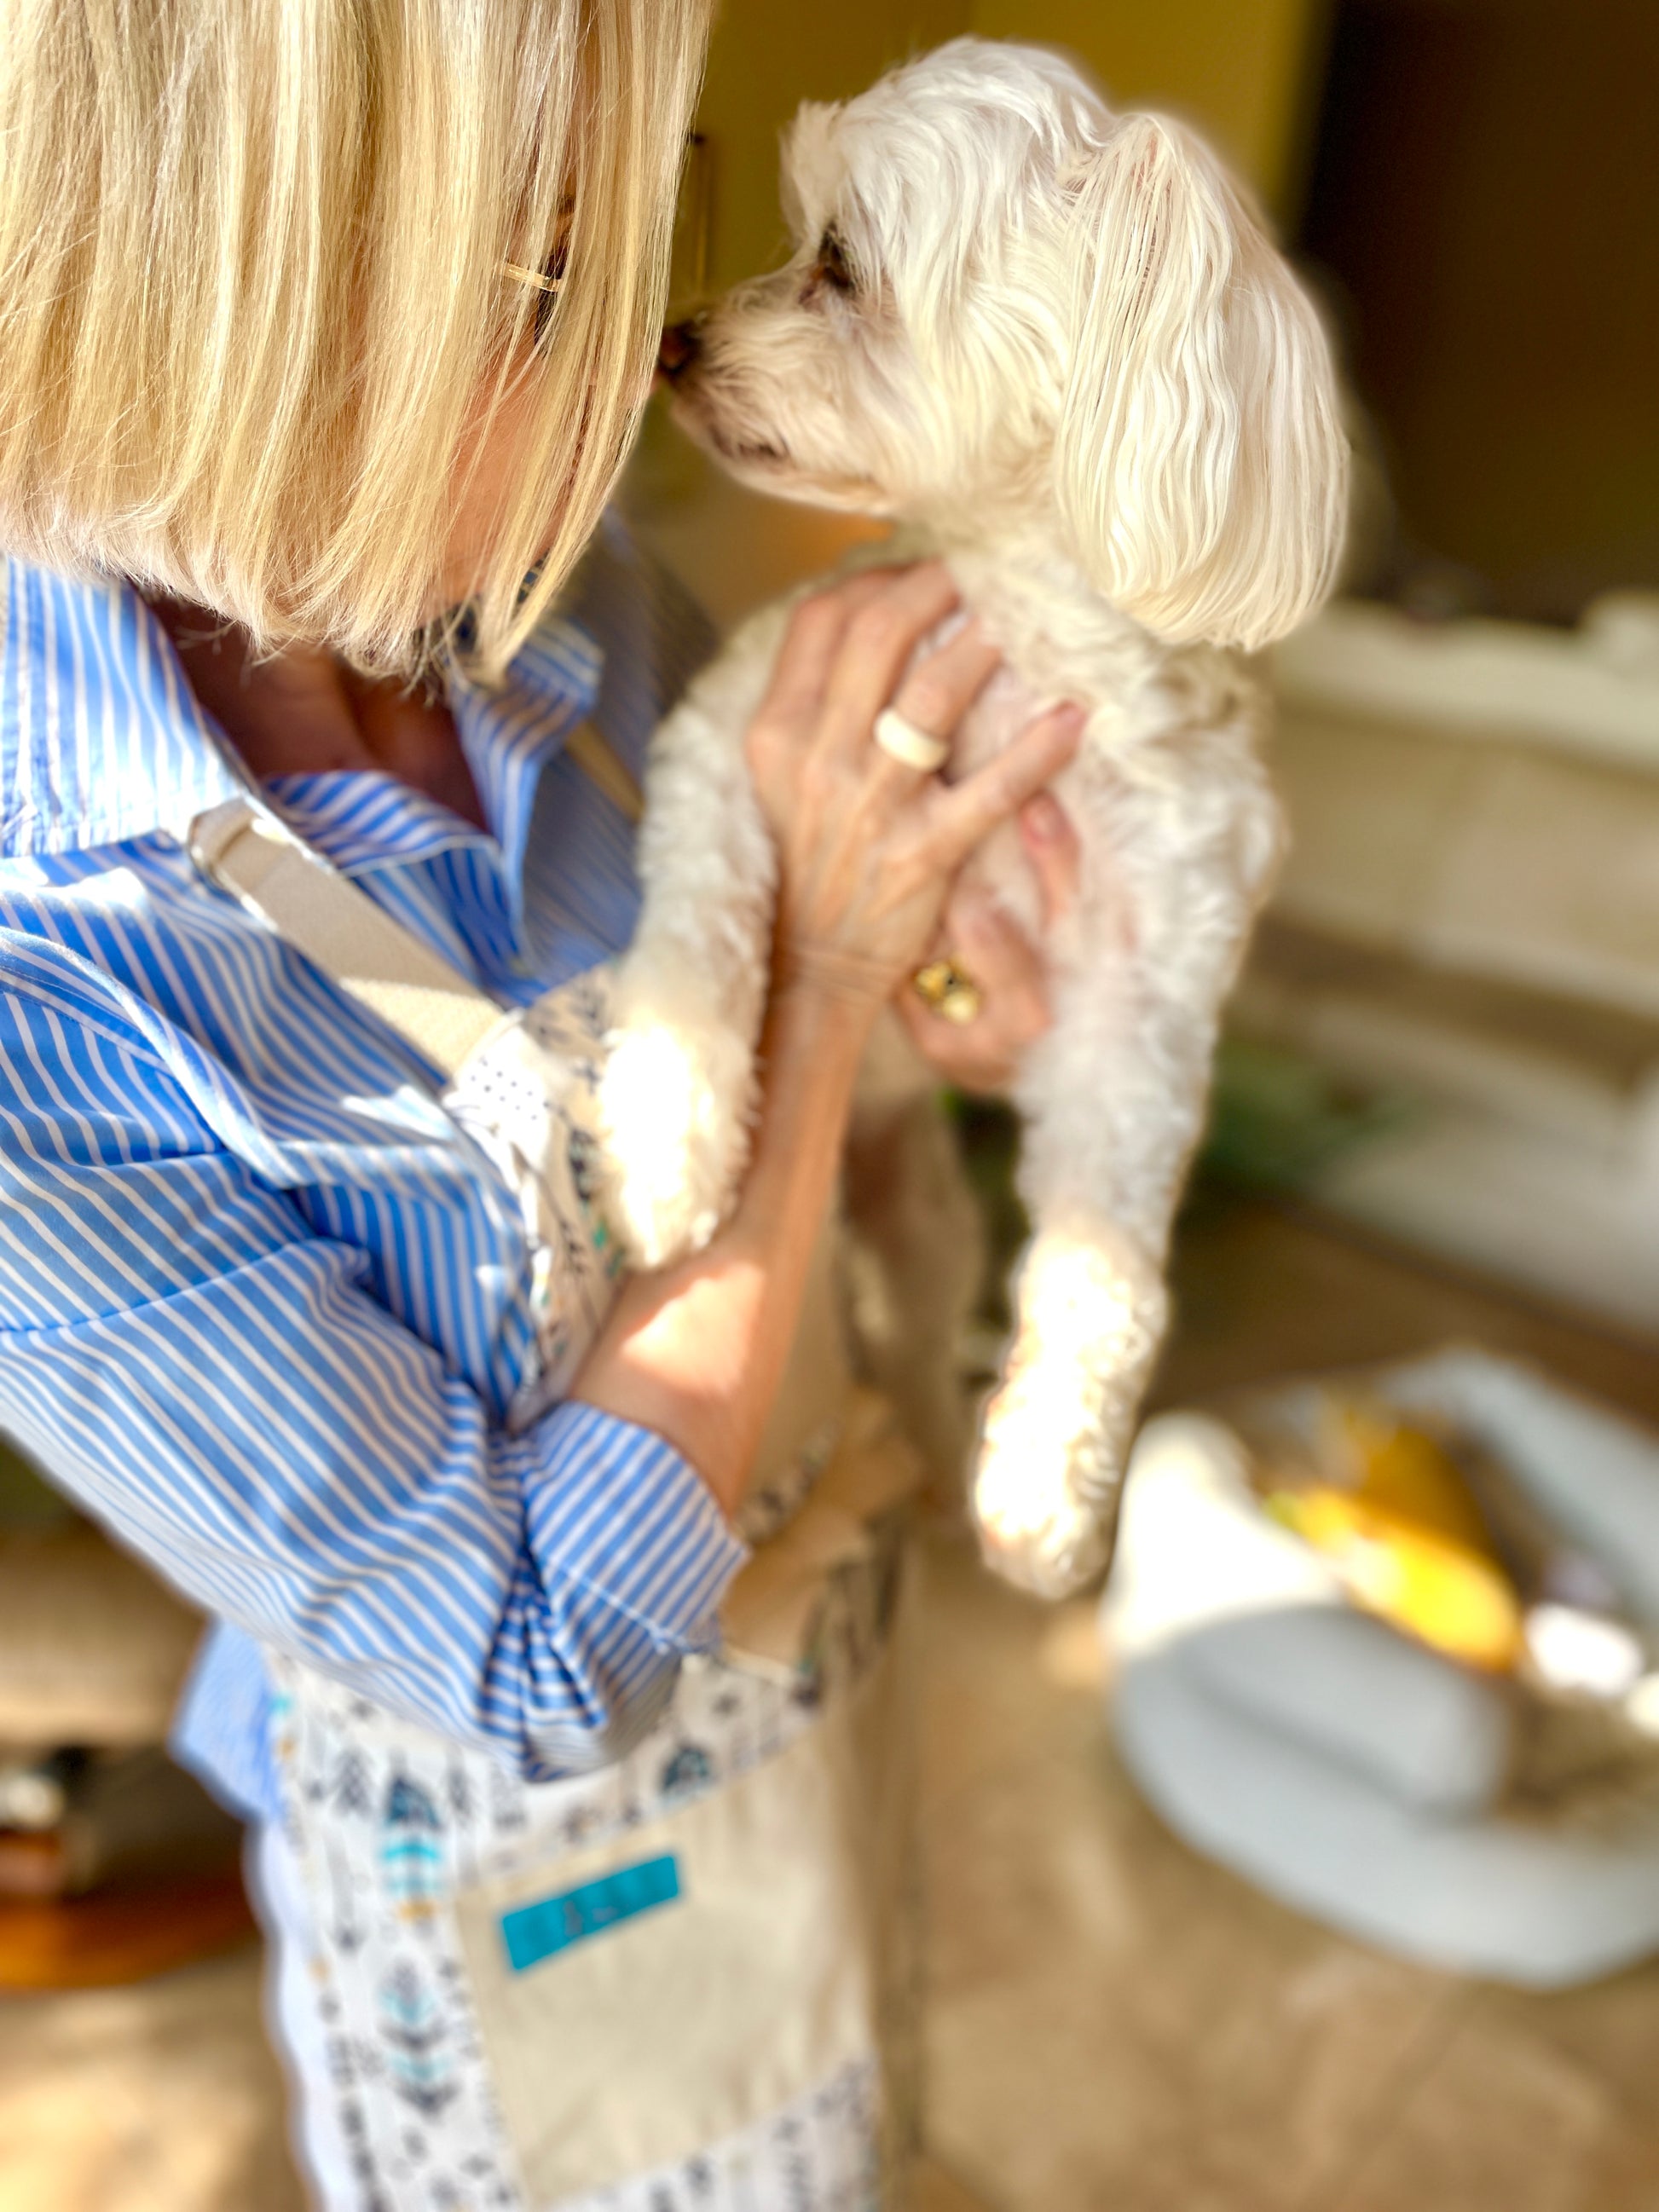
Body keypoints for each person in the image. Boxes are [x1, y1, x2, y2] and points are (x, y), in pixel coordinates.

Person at [0, 3, 1081, 2204]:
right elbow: (519, 1648)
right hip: (520, 1858)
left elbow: (842, 949)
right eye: (536, 281)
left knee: (840, 2100)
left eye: (626, 223)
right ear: (208, 302)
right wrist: (826, 993)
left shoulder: (544, 597)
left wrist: (952, 988)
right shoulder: (47, 974)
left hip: (808, 1662)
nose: (641, 359)